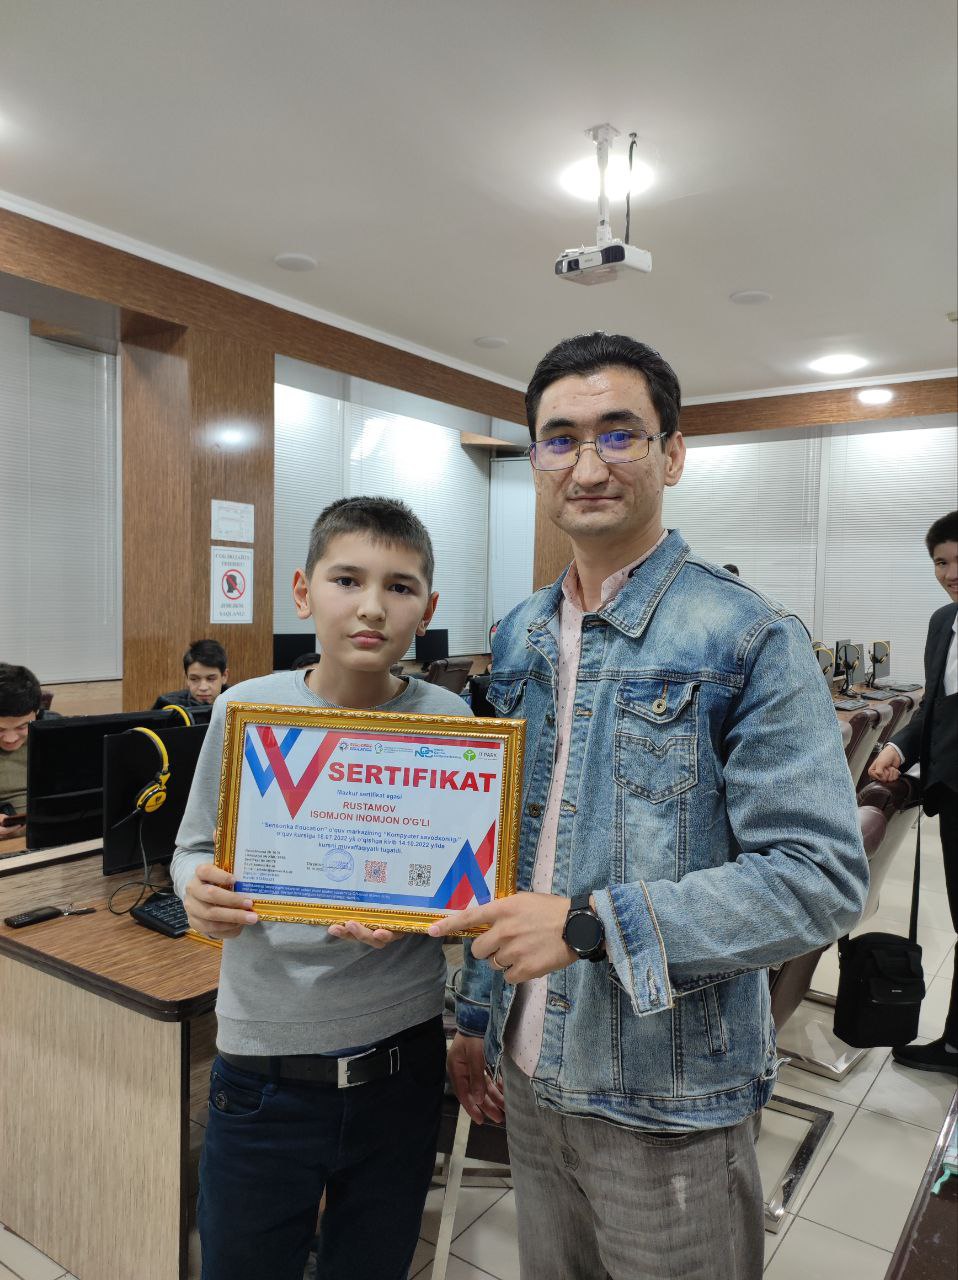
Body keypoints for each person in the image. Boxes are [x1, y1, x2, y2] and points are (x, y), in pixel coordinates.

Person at [429, 332, 868, 1280]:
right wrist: (472, 1016)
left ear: (672, 454)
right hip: (527, 1070)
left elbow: (820, 881)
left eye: (619, 434)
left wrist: (590, 924)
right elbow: (508, 853)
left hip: (666, 1094)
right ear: (536, 458)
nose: (588, 466)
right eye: (561, 439)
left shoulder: (749, 637)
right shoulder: (519, 636)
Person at [171, 497, 472, 1280]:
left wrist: (428, 917)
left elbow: (469, 878)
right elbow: (194, 847)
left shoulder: (450, 719)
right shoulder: (247, 710)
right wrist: (197, 890)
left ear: (427, 609)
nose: (372, 607)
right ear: (303, 592)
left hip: (403, 1067)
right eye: (347, 580)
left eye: (400, 587)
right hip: (264, 1072)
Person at [869, 510, 958, 1077]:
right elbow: (933, 710)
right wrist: (899, 749)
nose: (950, 574)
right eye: (941, 562)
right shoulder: (943, 622)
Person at [0, 663, 60, 840]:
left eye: (22, 727)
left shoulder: (53, 733)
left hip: (55, 836)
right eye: (0, 730)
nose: (10, 739)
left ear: (37, 713)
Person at [152, 639, 230, 710]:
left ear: (224, 676)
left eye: (211, 679)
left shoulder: (235, 703)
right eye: (194, 679)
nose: (203, 688)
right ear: (187, 679)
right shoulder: (167, 705)